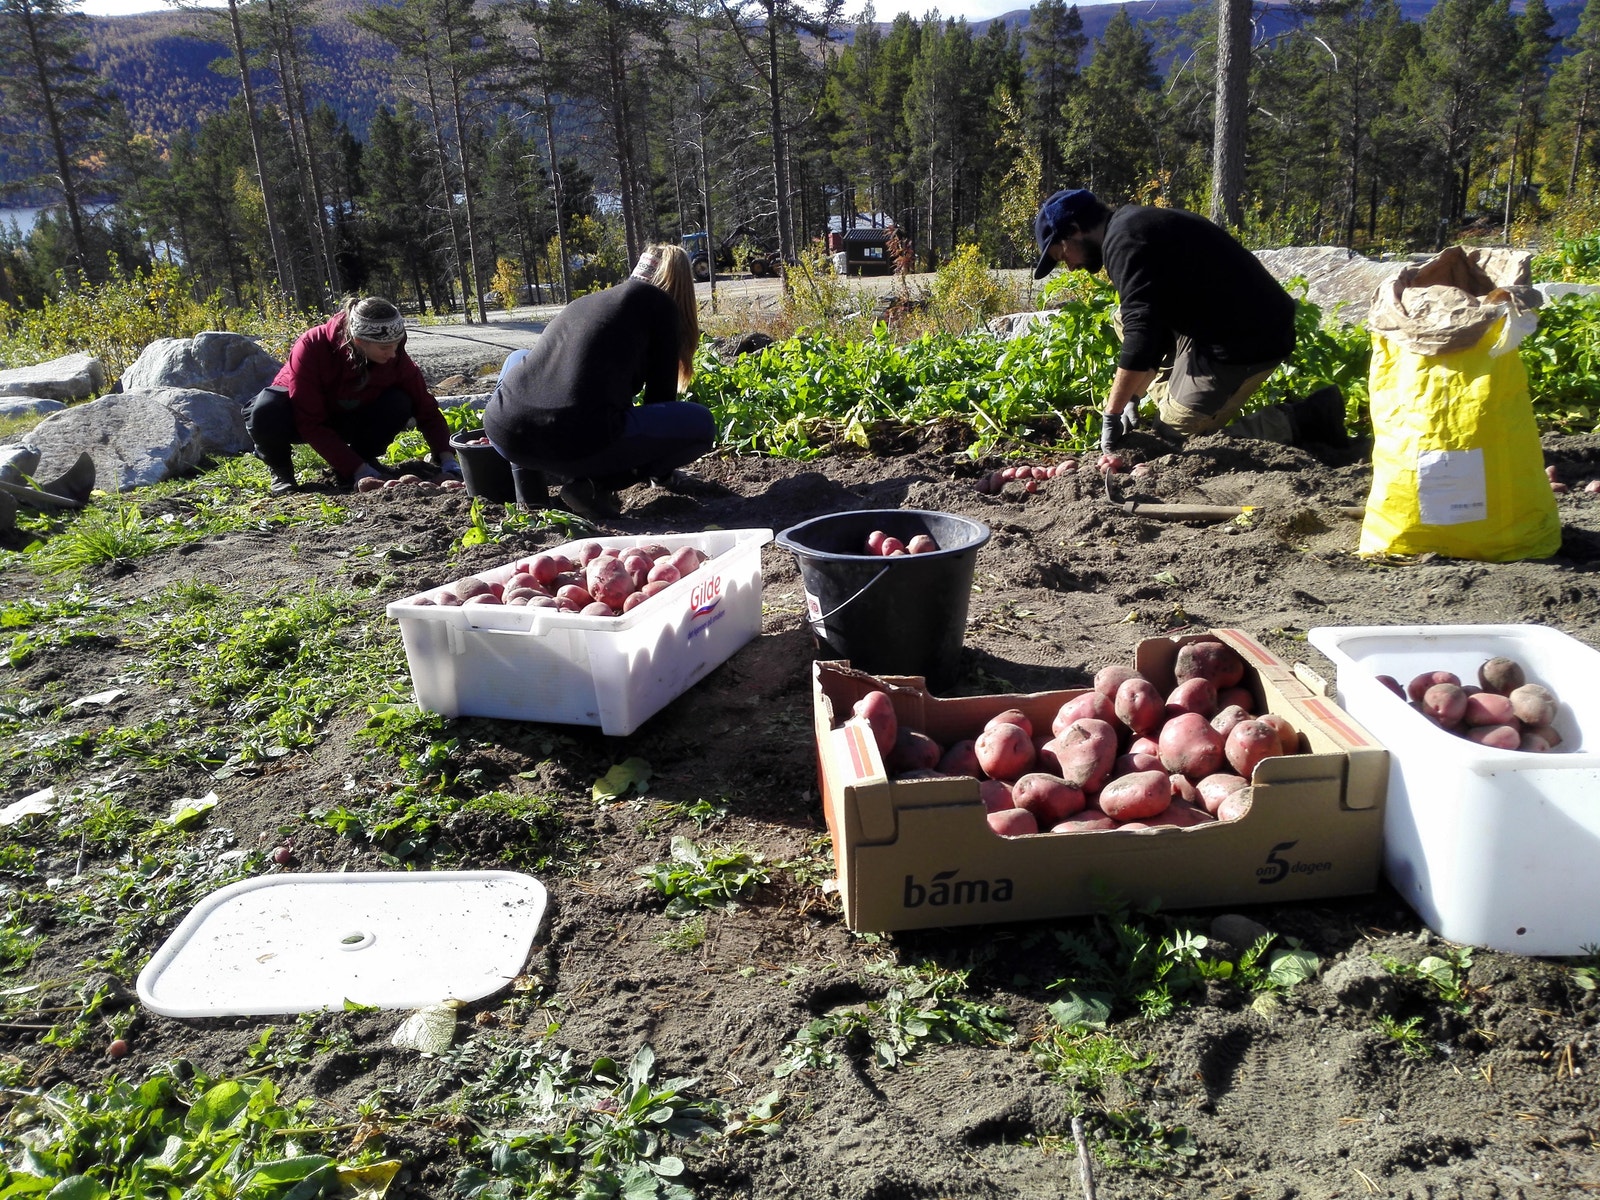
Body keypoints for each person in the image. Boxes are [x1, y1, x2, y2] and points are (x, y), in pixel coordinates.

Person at [1031, 189, 1346, 454]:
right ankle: (1181, 398)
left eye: (1061, 255)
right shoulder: (1128, 226)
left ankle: (1304, 418)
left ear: (1073, 228)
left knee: (1178, 438)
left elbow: (1143, 335)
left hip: (1248, 342)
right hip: (1213, 325)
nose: (1070, 267)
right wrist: (1133, 397)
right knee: (1123, 318)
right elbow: (1150, 325)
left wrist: (1112, 412)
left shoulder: (1125, 241)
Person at [483, 243, 716, 520]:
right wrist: (661, 474)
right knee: (700, 424)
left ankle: (530, 495)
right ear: (680, 284)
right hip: (576, 439)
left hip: (504, 431)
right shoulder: (660, 305)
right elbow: (660, 400)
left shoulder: (591, 302)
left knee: (520, 357)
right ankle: (594, 487)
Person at [246, 296, 461, 495]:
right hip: (301, 416)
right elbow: (309, 420)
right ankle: (282, 471)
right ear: (360, 342)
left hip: (349, 414)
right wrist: (356, 469)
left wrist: (447, 457)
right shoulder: (312, 345)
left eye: (397, 345)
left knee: (399, 402)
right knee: (265, 410)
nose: (393, 354)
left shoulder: (395, 358)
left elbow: (426, 409)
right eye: (386, 347)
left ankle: (363, 458)